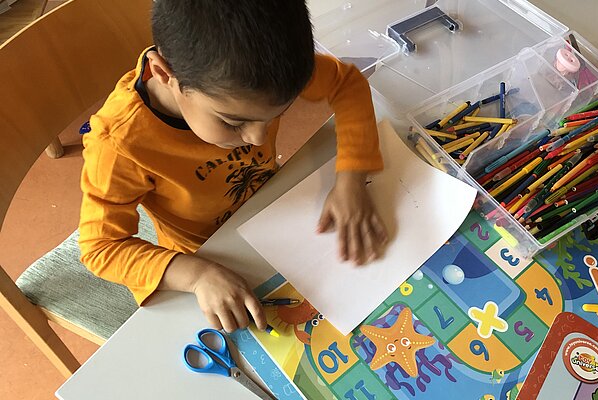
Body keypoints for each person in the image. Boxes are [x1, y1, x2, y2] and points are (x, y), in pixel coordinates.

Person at [78, 0, 387, 334]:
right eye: (232, 122)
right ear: (163, 73)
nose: (257, 138)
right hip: (208, 253)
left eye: (275, 116)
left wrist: (351, 178)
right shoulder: (119, 143)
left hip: (274, 210)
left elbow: (347, 83)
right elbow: (101, 248)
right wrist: (197, 276)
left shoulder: (262, 67)